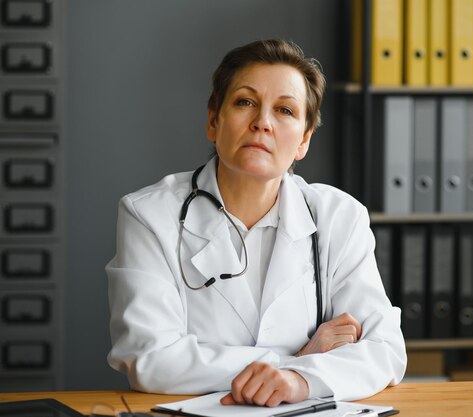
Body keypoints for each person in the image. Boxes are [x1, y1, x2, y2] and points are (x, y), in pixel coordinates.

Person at [106, 39, 406, 406]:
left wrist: (298, 381)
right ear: (214, 121)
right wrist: (296, 361)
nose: (262, 123)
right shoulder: (149, 214)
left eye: (284, 110)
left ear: (304, 141)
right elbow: (148, 358)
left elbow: (386, 350)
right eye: (245, 102)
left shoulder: (339, 217)